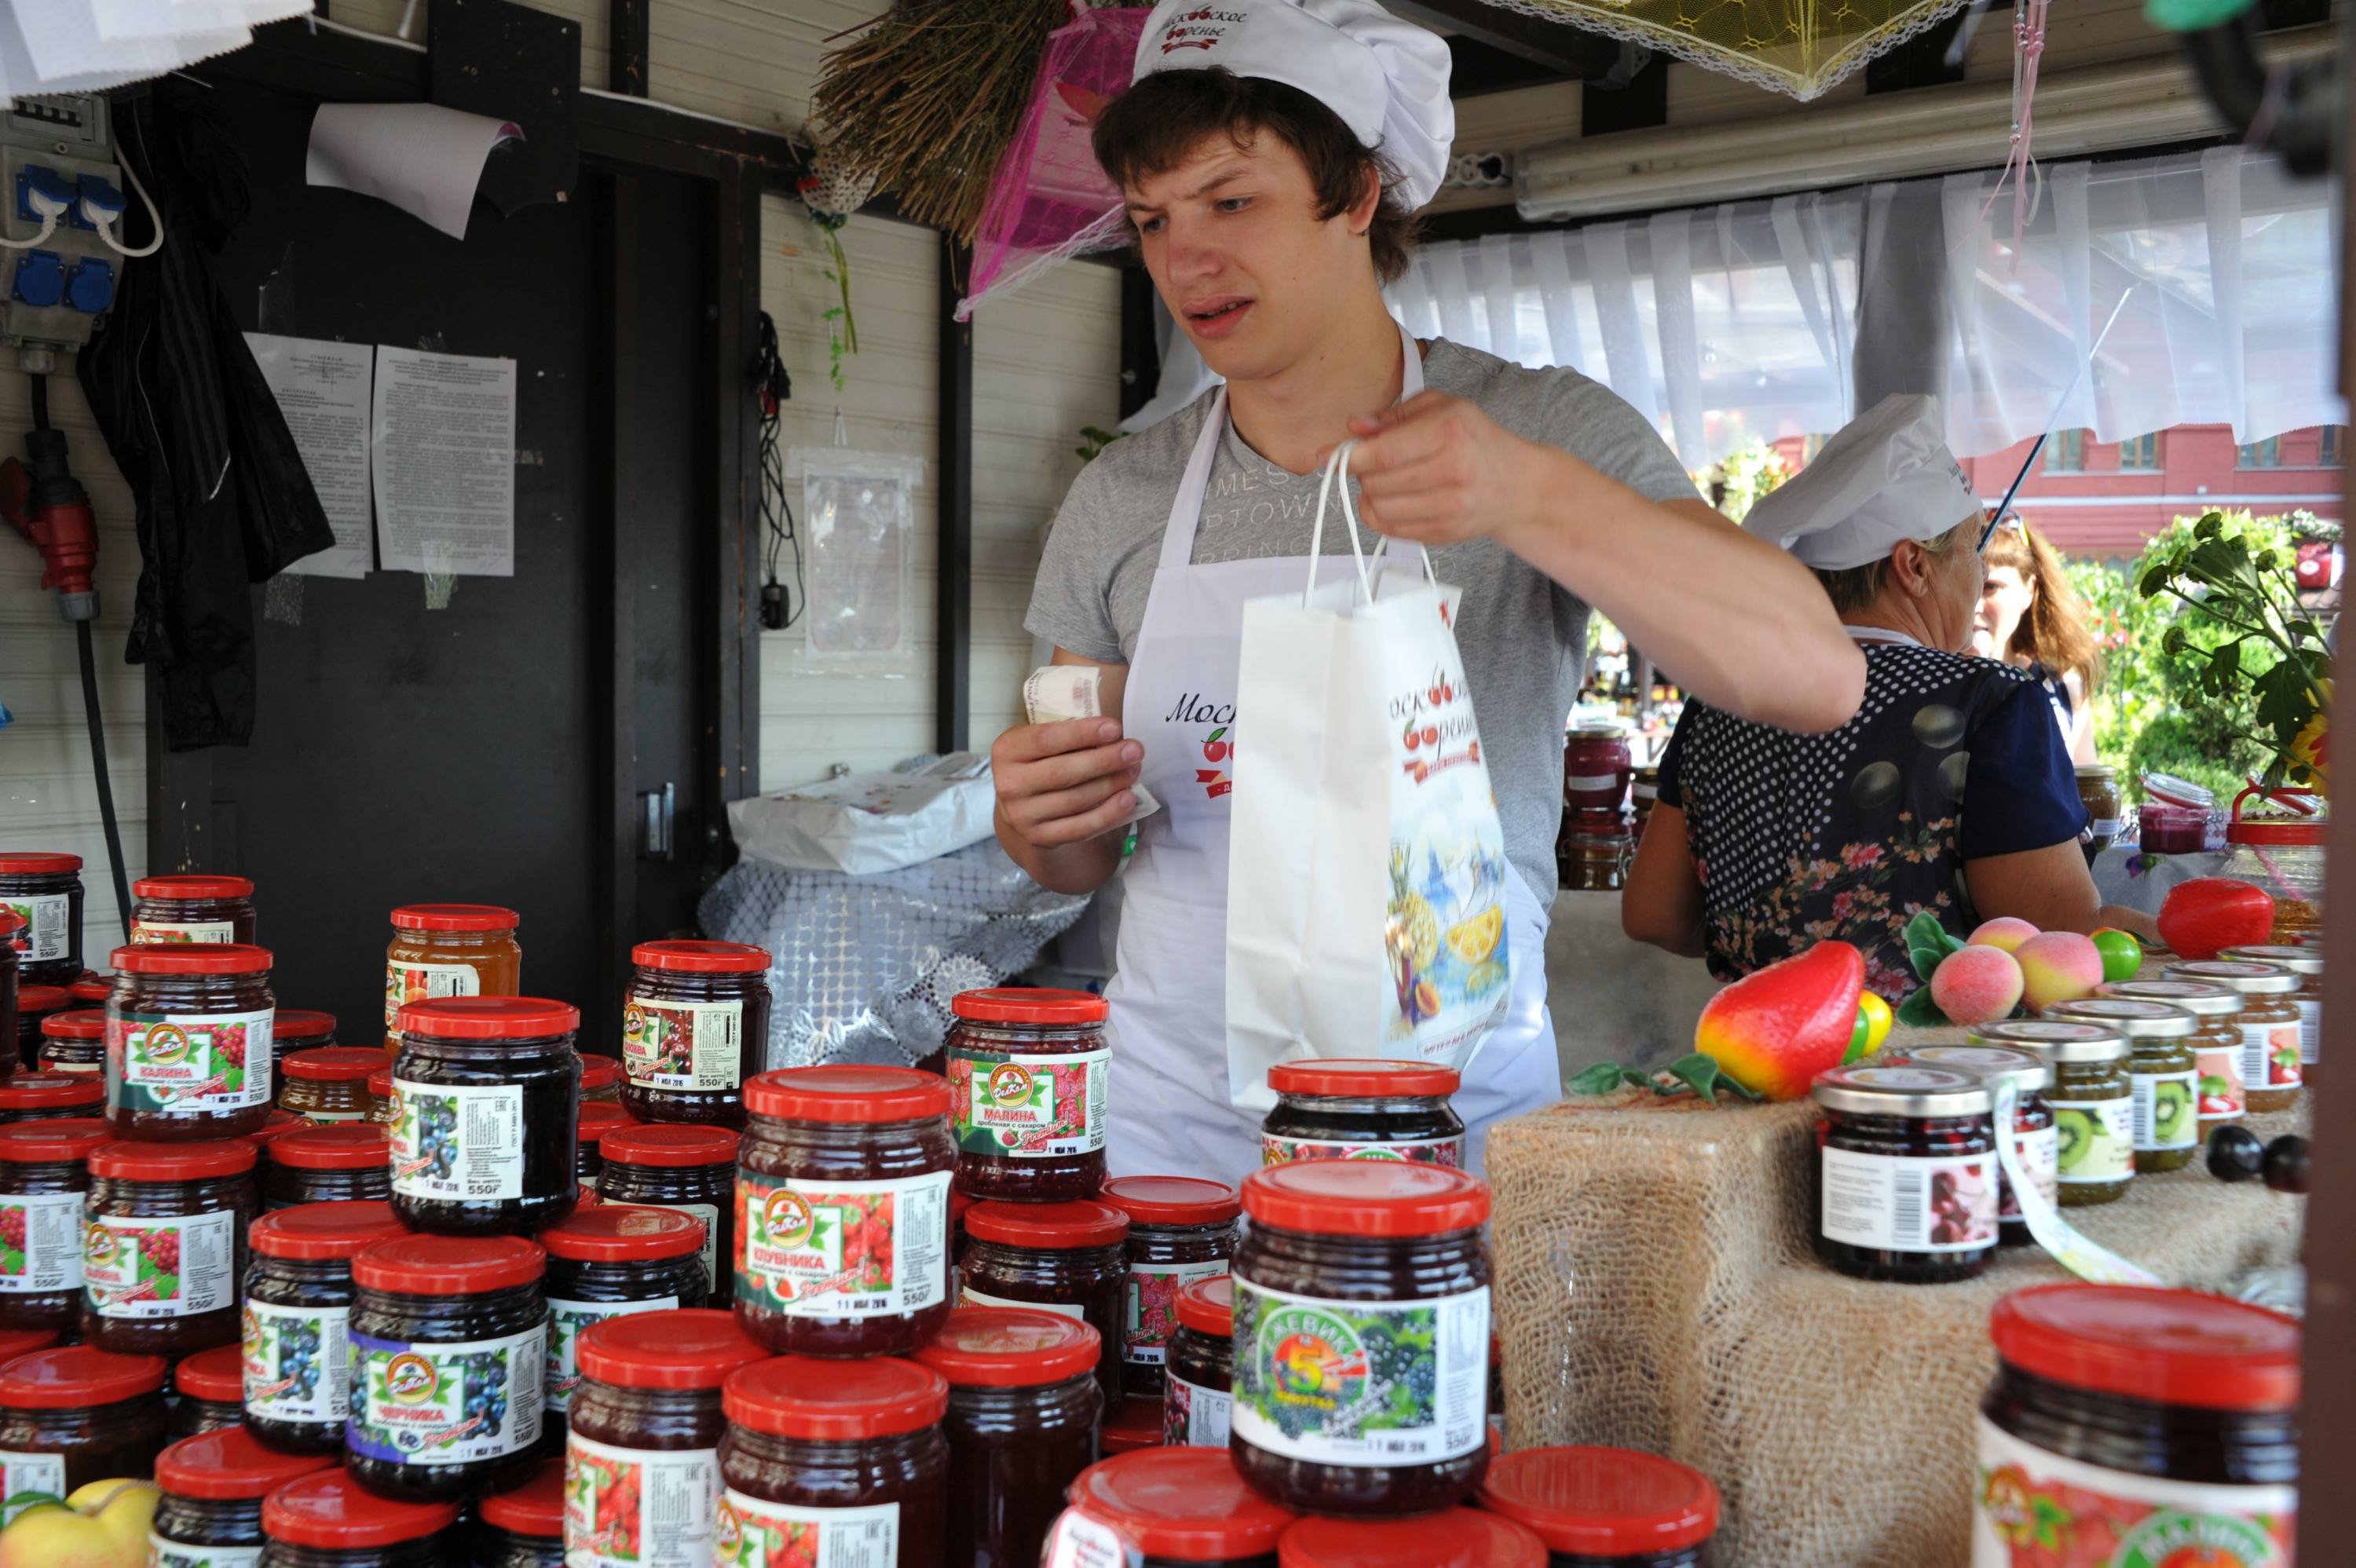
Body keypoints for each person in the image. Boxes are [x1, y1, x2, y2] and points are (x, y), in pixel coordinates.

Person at [993, 0, 1864, 1179]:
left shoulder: (1536, 428)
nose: (1184, 259)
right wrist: (1041, 825)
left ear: (1357, 196)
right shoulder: (1127, 491)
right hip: (1175, 1130)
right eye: (1153, 218)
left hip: (1444, 1128)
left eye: (1232, 201)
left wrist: (1529, 496)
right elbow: (1073, 849)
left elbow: (1812, 677)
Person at [1622, 396, 2114, 1002]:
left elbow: (1653, 913)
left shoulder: (1720, 699)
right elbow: (2060, 934)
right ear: (1913, 565)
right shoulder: (1991, 703)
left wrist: (1786, 951)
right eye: (1969, 547)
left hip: (1761, 1052)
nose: (1977, 567)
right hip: (1932, 1075)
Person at [1974, 514, 2103, 763]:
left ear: (2029, 590)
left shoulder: (2064, 690)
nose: (1974, 605)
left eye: (1991, 587)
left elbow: (2086, 794)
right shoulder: (1928, 682)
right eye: (1965, 584)